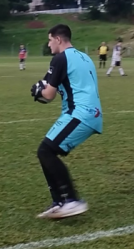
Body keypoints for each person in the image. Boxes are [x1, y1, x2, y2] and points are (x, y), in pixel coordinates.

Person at [30, 24, 103, 219]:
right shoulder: (84, 57)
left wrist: (37, 92)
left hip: (80, 113)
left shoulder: (60, 58)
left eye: (50, 39)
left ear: (58, 39)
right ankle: (60, 202)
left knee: (46, 151)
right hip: (88, 113)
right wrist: (42, 88)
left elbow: (48, 94)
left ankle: (70, 200)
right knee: (46, 151)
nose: (48, 44)